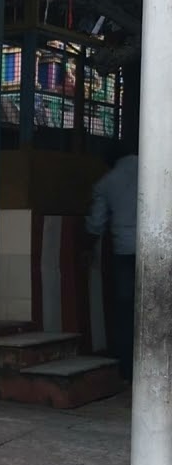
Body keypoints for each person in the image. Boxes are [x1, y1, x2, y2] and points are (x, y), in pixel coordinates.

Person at [85, 145, 138, 380]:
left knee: (126, 311)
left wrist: (87, 248)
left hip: (124, 252)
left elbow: (96, 223)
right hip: (159, 250)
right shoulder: (156, 167)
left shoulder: (106, 183)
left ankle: (127, 369)